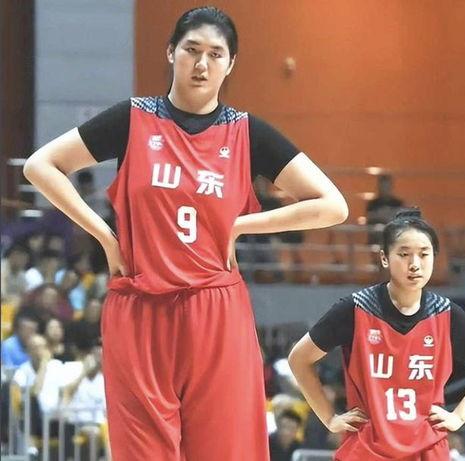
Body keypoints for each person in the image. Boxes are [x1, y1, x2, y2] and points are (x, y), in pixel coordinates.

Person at [23, 6, 348, 461]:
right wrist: (105, 236)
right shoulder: (133, 119)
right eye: (191, 50)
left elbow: (333, 205)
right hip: (139, 306)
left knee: (224, 450)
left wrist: (243, 225)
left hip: (215, 309)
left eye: (216, 54)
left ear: (230, 64)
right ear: (170, 52)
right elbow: (41, 166)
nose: (202, 64)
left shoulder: (247, 132)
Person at [288, 208, 465, 460]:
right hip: (366, 449)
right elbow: (299, 359)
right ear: (384, 258)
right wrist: (329, 418)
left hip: (427, 450)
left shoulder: (447, 314)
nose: (415, 264)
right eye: (404, 254)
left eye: (424, 254)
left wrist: (459, 416)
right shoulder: (356, 309)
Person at [366, 174, 404, 246]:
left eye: (387, 187)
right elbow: (369, 219)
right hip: (376, 239)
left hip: (393, 238)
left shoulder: (398, 203)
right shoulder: (372, 204)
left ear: (391, 187)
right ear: (379, 187)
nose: (384, 189)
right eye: (383, 187)